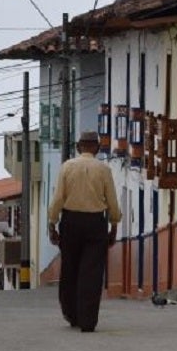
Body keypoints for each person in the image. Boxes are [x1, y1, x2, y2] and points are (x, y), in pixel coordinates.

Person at [48, 131, 122, 332]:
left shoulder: (67, 167)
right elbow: (112, 202)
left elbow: (58, 199)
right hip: (95, 223)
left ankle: (72, 314)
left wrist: (52, 224)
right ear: (97, 148)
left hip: (70, 222)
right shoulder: (104, 169)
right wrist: (114, 226)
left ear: (78, 147)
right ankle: (88, 321)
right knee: (92, 273)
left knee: (70, 269)